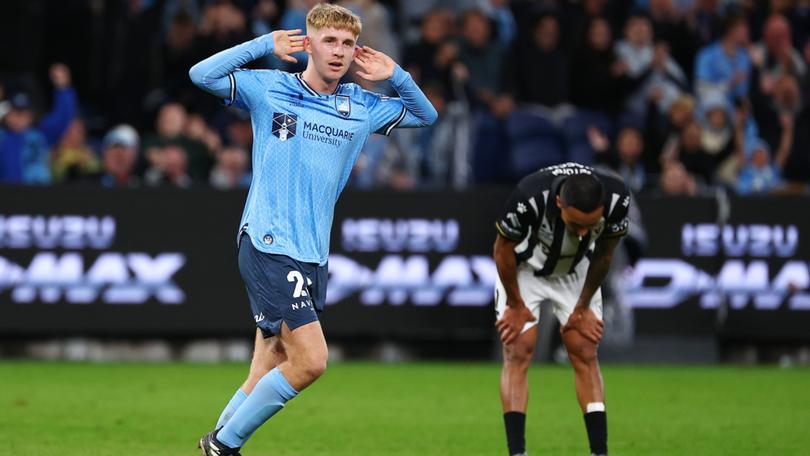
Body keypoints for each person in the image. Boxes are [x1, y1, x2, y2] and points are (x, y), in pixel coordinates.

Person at [189, 4, 436, 455]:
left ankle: (215, 444)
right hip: (267, 240)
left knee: (269, 363)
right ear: (309, 43)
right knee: (311, 360)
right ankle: (223, 446)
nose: (339, 52)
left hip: (311, 252)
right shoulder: (271, 89)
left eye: (347, 43)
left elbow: (426, 117)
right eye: (329, 41)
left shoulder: (361, 106)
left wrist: (396, 74)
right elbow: (200, 74)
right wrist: (265, 45)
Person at [493, 162, 630, 456]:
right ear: (559, 203)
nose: (582, 233)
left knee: (584, 348)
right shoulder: (529, 195)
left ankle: (599, 452)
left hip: (576, 271)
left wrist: (583, 307)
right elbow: (502, 249)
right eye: (576, 224)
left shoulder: (618, 198)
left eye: (589, 226)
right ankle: (517, 453)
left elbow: (605, 254)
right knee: (518, 348)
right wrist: (515, 304)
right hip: (524, 268)